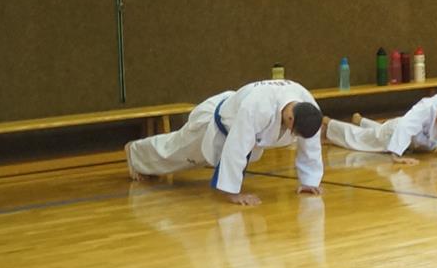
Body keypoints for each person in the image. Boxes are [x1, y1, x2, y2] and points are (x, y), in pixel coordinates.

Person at [126, 78, 325, 206]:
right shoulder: (259, 107)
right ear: (290, 117)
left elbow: (311, 143)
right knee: (175, 151)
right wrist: (233, 193)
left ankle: (139, 156)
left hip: (235, 114)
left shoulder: (308, 105)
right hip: (213, 123)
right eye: (293, 130)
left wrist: (309, 181)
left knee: (180, 155)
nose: (292, 135)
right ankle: (135, 153)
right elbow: (237, 146)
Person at [325, 94, 437, 159]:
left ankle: (361, 120)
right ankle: (329, 124)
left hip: (418, 143)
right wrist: (397, 155)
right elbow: (404, 127)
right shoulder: (426, 108)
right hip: (396, 130)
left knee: (378, 131)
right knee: (363, 140)